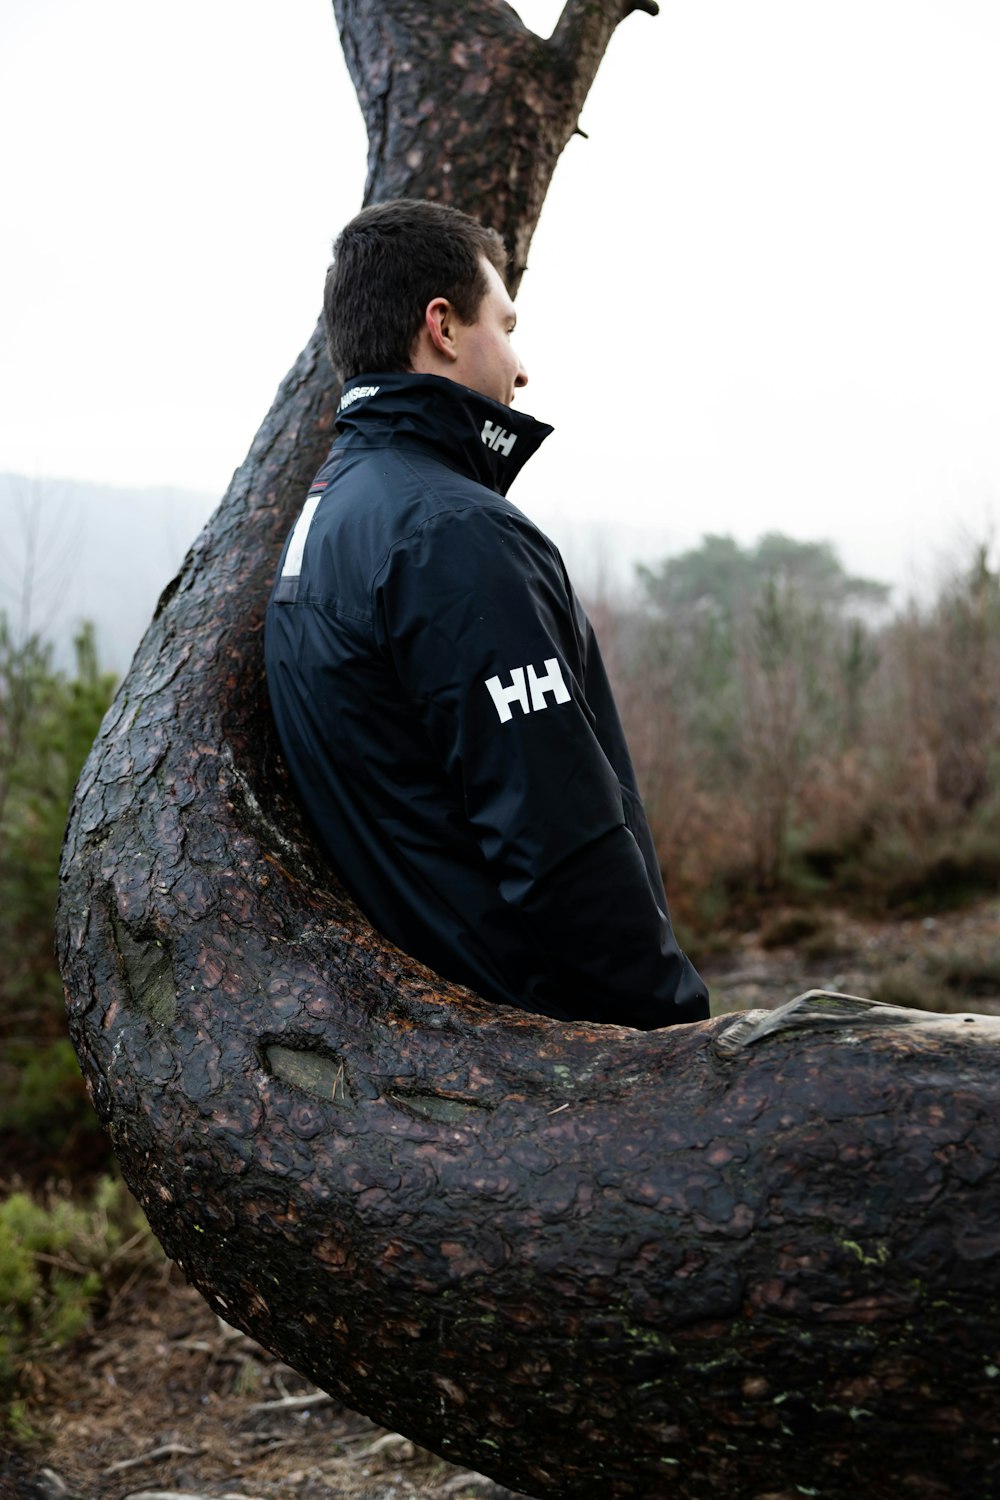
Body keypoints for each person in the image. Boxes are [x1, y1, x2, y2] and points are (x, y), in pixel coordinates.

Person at [264, 199, 709, 1030]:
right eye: (505, 324)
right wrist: (672, 1030)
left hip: (432, 1019)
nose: (522, 365)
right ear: (442, 326)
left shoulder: (329, 512)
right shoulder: (451, 534)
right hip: (542, 1031)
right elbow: (558, 836)